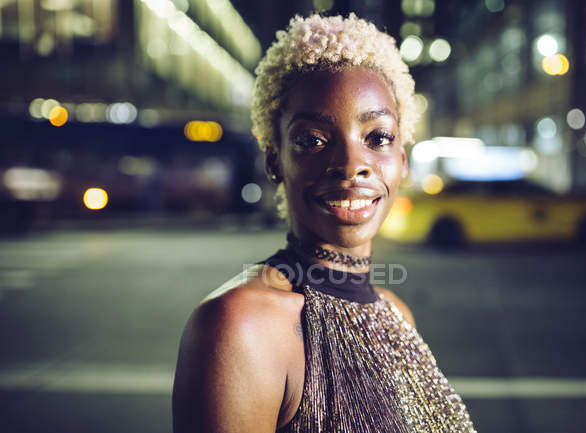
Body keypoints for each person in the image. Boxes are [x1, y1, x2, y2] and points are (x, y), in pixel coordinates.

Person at [172, 13, 475, 433]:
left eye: (378, 138)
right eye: (313, 140)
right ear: (275, 160)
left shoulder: (397, 314)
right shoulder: (239, 326)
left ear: (401, 162)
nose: (352, 165)